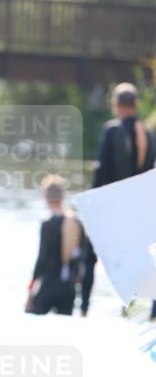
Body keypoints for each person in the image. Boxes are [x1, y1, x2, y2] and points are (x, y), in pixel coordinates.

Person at [81, 83, 156, 315]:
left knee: (90, 256)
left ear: (116, 105)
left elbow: (101, 171)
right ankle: (151, 312)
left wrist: (90, 205)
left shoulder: (112, 130)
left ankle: (83, 308)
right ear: (136, 105)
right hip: (139, 208)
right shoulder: (149, 134)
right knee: (146, 259)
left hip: (113, 204)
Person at [26, 175, 85, 316]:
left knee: (34, 325)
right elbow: (82, 257)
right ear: (63, 196)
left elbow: (42, 259)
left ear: (46, 197)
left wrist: (31, 286)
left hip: (49, 285)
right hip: (69, 288)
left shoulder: (47, 224)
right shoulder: (76, 222)